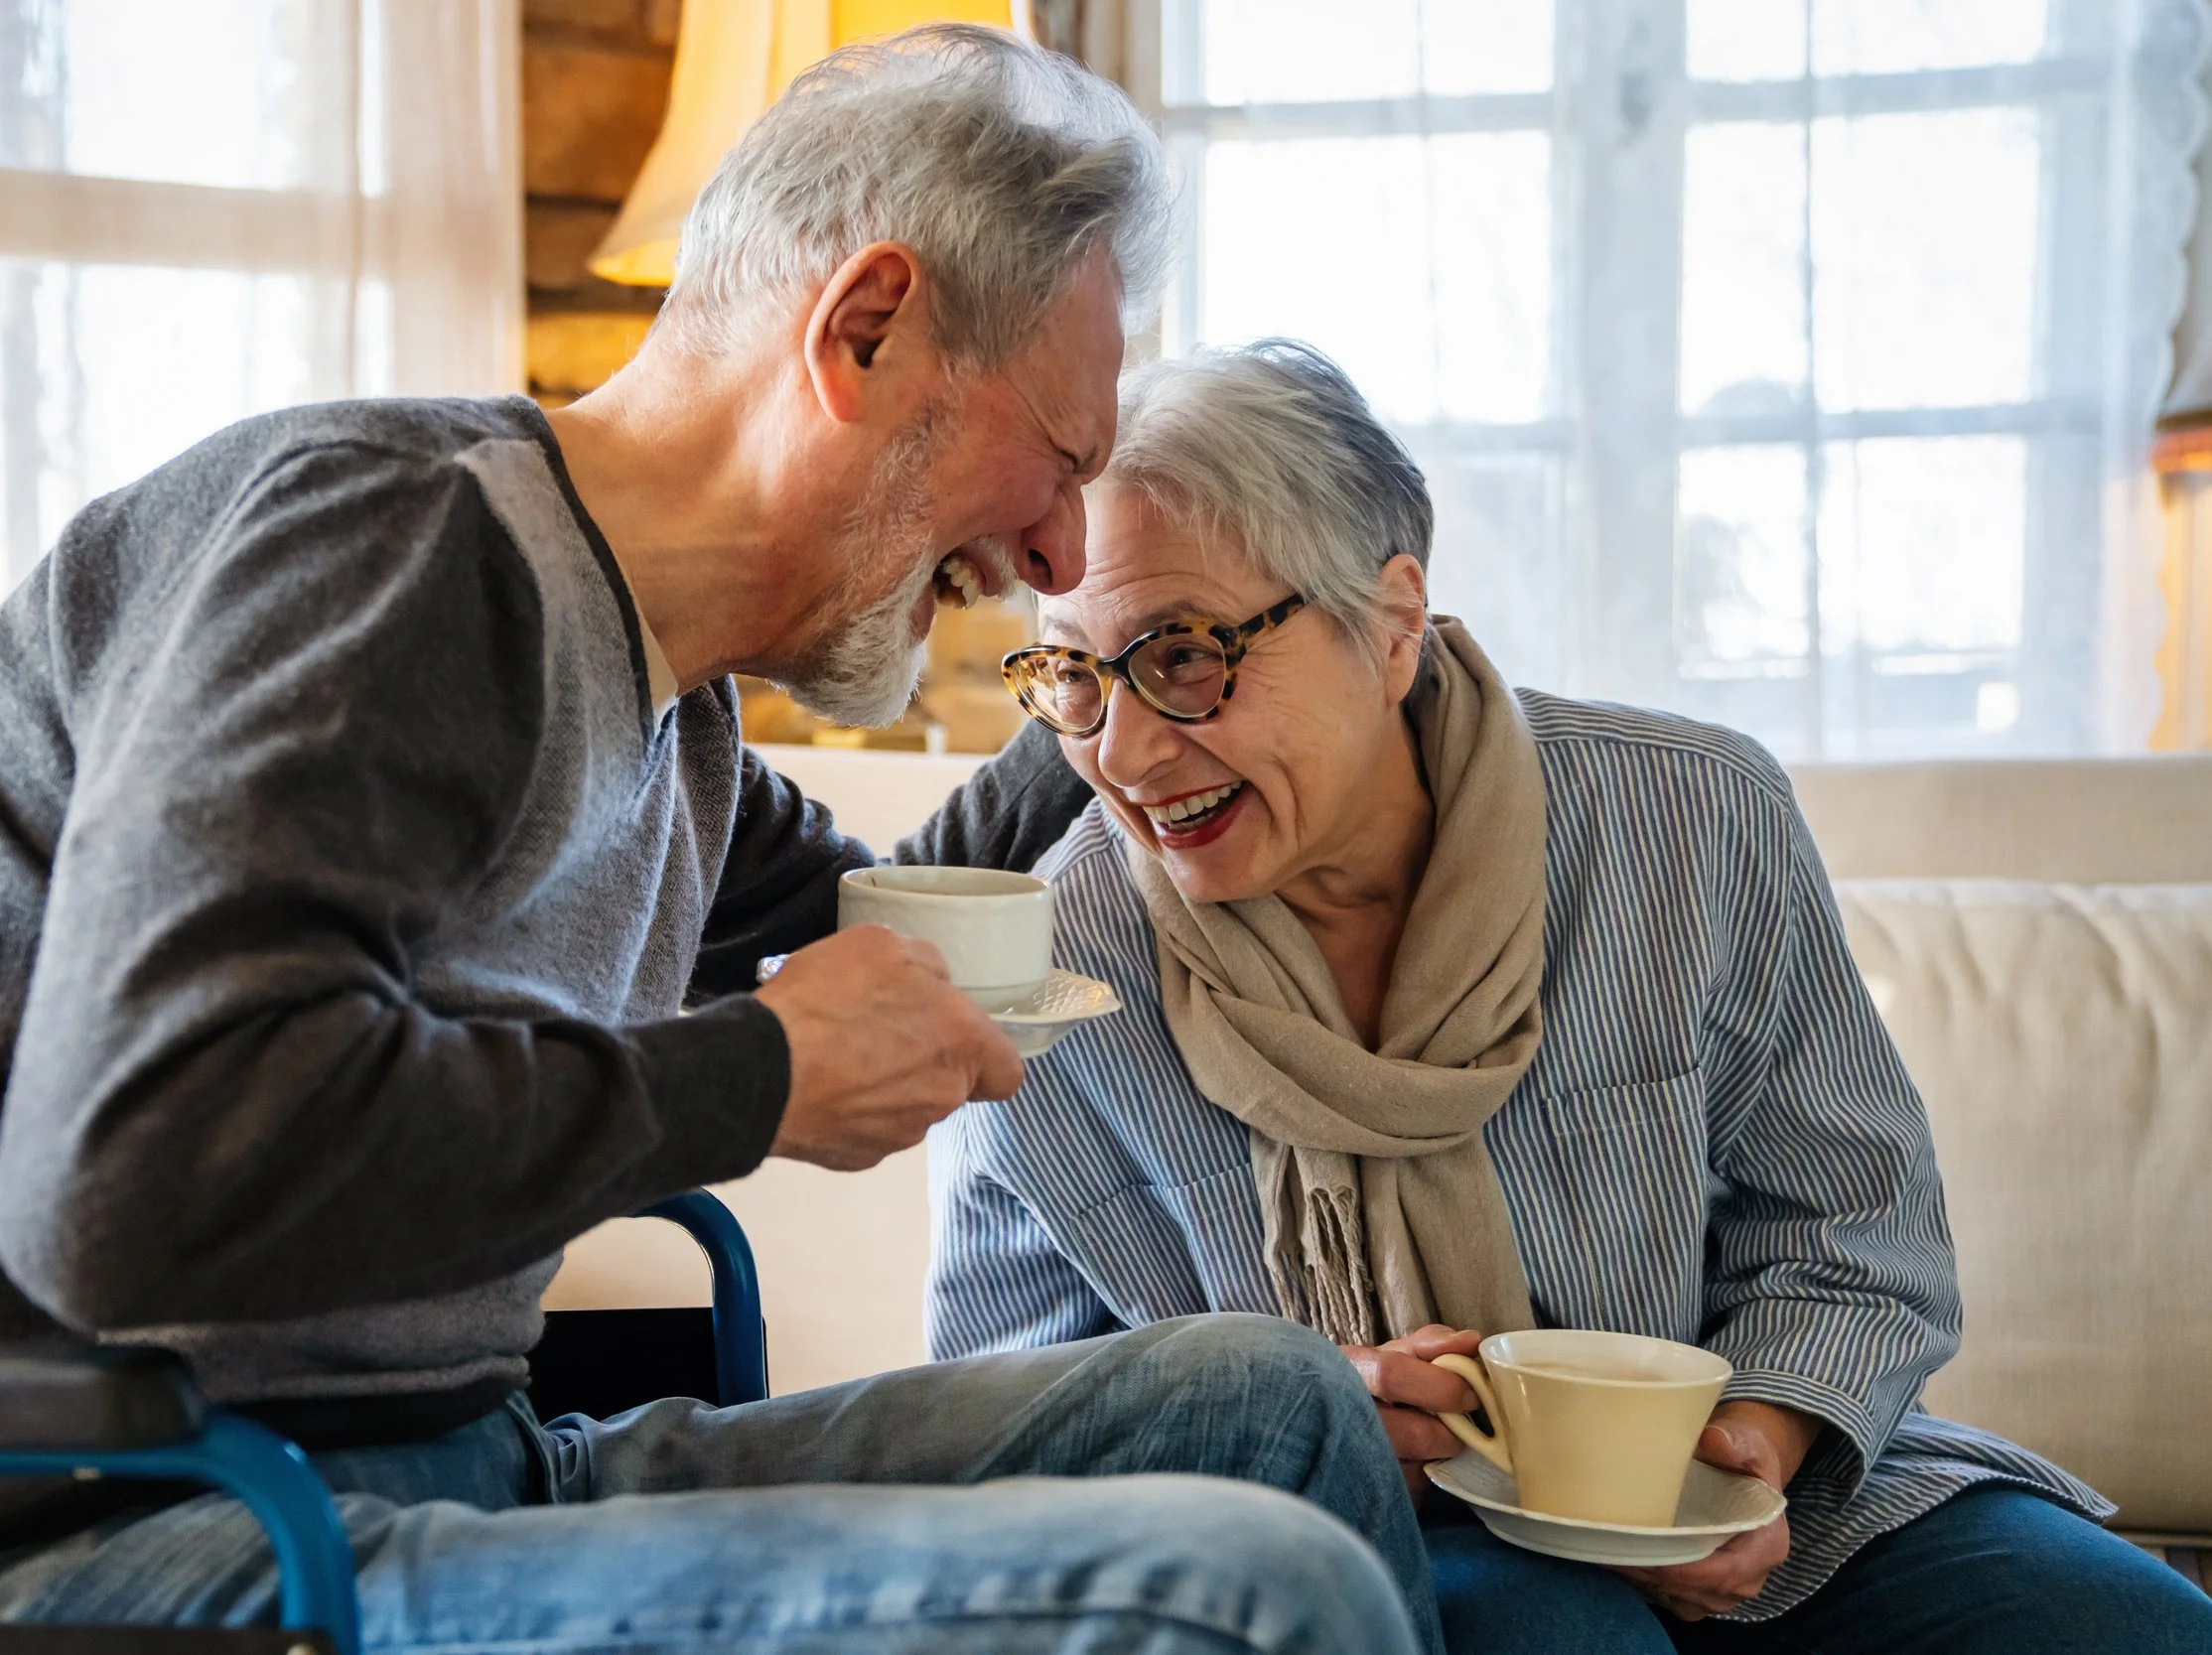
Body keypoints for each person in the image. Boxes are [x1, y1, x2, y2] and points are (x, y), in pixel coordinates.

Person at [0, 35, 1434, 1655]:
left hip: (446, 1462)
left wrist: (1231, 669)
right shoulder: (390, 556)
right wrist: (749, 1076)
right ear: (869, 331)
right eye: (1058, 460)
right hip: (101, 1529)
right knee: (1242, 1587)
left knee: (1267, 1406)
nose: (1060, 551)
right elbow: (125, 1178)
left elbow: (915, 906)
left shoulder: (667, 702)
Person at [926, 339, 2212, 1655]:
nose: (1123, 752)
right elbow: (996, 1421)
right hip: (1353, 1552)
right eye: (1073, 674)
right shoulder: (1041, 961)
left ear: (1390, 625)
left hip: (1789, 1519)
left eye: (1185, 658)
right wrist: (1290, 1421)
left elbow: (1856, 1222)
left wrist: (1750, 1451)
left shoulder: (1692, 818)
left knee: (2133, 1627)